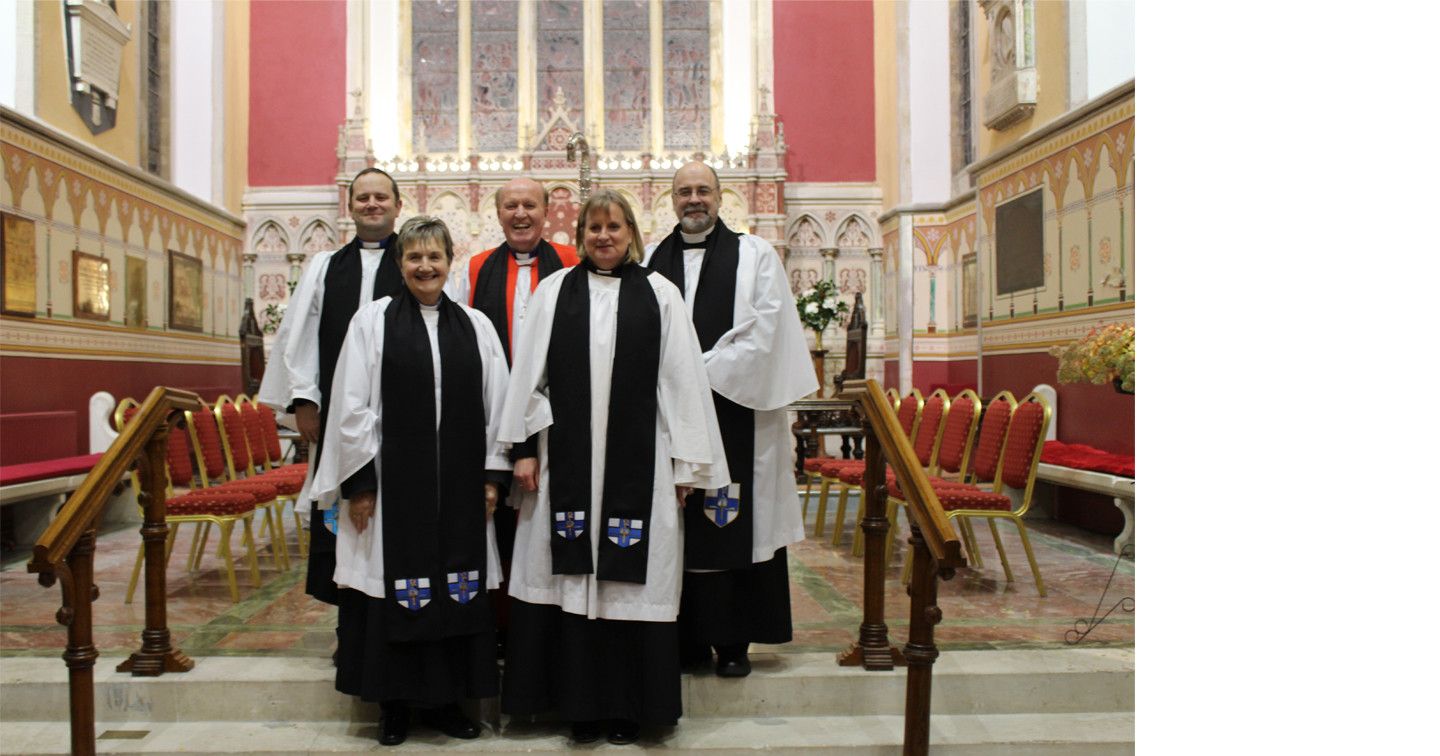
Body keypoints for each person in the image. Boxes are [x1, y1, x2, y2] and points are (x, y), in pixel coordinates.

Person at [498, 189, 729, 745]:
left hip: (641, 469)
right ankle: (577, 705)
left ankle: (629, 707)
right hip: (564, 467)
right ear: (580, 235)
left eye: (614, 226)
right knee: (568, 576)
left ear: (632, 233)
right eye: (594, 227)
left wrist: (685, 467)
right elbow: (528, 377)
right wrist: (524, 449)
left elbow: (683, 385)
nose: (604, 236)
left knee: (632, 584)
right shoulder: (555, 293)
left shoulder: (660, 294)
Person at [310, 215, 511, 746]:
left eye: (435, 257)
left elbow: (500, 406)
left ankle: (448, 703)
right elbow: (351, 408)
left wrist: (493, 476)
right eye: (414, 257)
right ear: (400, 265)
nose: (426, 267)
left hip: (461, 496)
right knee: (394, 591)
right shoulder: (371, 323)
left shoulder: (477, 327)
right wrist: (360, 484)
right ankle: (394, 707)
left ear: (450, 262)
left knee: (455, 589)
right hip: (390, 496)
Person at [643, 161, 818, 677]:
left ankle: (735, 642)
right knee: (681, 527)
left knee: (735, 520)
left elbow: (765, 334)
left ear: (722, 198)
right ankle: (689, 641)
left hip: (737, 414)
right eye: (684, 192)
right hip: (674, 421)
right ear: (671, 201)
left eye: (703, 191)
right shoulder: (654, 261)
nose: (693, 200)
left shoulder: (755, 255)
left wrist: (692, 373)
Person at [257, 167, 411, 610]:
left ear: (398, 206)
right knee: (339, 512)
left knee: (392, 512)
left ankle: (391, 610)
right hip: (336, 417)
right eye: (363, 198)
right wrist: (304, 400)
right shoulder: (324, 266)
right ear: (350, 207)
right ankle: (350, 622)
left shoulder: (418, 261)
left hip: (397, 415)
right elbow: (298, 337)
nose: (372, 205)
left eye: (381, 197)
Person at [454, 177, 580, 651]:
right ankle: (502, 624)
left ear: (548, 211)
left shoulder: (571, 262)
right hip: (491, 414)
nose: (520, 214)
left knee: (547, 518)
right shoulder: (475, 269)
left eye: (530, 204)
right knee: (497, 517)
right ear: (498, 212)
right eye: (511, 206)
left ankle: (548, 624)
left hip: (556, 420)